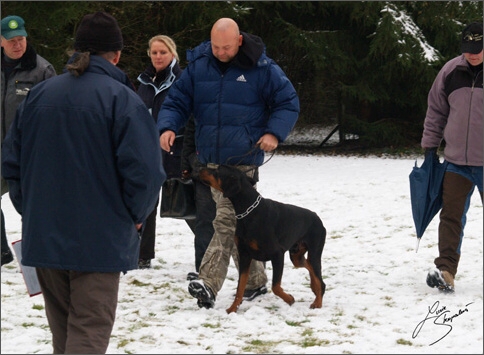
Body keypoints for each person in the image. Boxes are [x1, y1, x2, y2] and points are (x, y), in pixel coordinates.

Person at [1, 11, 165, 354]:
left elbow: (11, 164)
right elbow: (147, 174)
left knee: (65, 335)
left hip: (47, 233)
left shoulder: (39, 95)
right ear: (117, 55)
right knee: (88, 333)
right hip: (99, 238)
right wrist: (133, 216)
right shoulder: (123, 101)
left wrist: (32, 210)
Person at [158, 18, 300, 309]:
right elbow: (177, 100)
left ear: (238, 41)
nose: (221, 52)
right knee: (236, 221)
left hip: (242, 160)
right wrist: (168, 126)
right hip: (210, 161)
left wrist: (274, 132)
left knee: (224, 220)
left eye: (226, 47)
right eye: (215, 46)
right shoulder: (199, 67)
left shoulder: (262, 68)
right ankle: (257, 281)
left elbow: (288, 101)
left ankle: (208, 283)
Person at [423, 22, 483, 294]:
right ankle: (446, 271)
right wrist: (429, 147)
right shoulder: (450, 71)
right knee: (451, 217)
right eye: (469, 49)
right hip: (457, 161)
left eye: (478, 49)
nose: (473, 54)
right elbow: (436, 111)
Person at [1, 15, 56, 266]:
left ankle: (37, 257)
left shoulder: (42, 70)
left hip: (28, 153)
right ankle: (2, 251)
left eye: (21, 39)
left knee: (31, 208)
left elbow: (55, 112)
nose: (17, 44)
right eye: (11, 40)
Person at [136, 34, 195, 269]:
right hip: (148, 151)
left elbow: (188, 114)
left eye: (163, 52)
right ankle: (142, 255)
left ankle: (208, 249)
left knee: (187, 204)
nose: (158, 56)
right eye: (154, 52)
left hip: (175, 150)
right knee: (146, 202)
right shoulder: (144, 80)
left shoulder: (183, 79)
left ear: (173, 54)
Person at [181, 115, 216, 280]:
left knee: (243, 221)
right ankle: (204, 269)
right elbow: (190, 135)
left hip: (236, 167)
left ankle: (253, 277)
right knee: (204, 221)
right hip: (202, 170)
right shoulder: (199, 98)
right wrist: (188, 164)